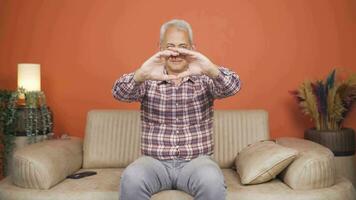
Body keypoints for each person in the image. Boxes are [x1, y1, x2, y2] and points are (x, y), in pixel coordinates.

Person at [112, 19, 241, 200]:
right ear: (160, 48)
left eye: (182, 46)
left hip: (196, 163)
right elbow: (119, 93)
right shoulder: (148, 78)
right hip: (154, 163)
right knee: (132, 178)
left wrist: (210, 69)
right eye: (170, 46)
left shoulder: (204, 78)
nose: (176, 53)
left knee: (211, 180)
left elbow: (233, 87)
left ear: (192, 48)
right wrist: (140, 74)